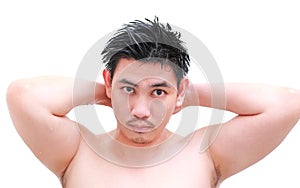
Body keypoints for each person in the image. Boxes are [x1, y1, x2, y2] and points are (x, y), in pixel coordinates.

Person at [6, 17, 300, 188]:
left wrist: (184, 96)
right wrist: (107, 93)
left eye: (158, 92)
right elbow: (24, 94)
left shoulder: (206, 154)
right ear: (109, 82)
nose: (140, 111)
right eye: (128, 90)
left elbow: (287, 103)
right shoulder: (76, 150)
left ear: (179, 91)